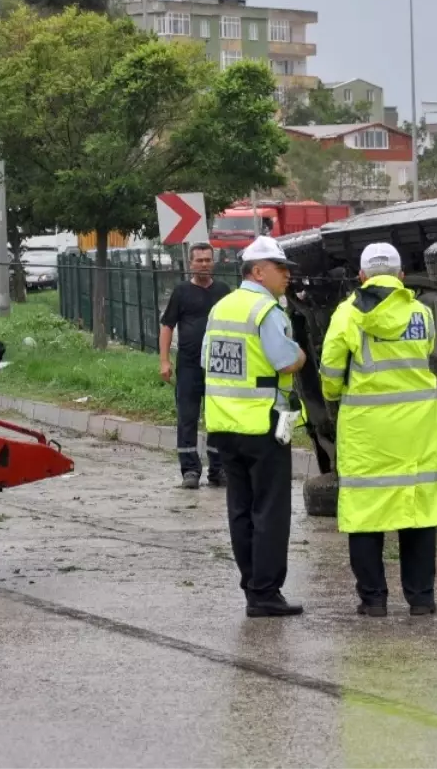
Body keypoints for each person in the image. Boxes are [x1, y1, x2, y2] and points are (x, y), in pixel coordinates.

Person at [319, 242, 437, 618]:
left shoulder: (347, 315)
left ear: (361, 276)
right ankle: (421, 600)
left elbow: (329, 370)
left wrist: (335, 395)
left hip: (367, 433)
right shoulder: (422, 313)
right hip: (417, 431)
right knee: (418, 513)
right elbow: (428, 355)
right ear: (401, 276)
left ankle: (373, 601)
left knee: (365, 514)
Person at [202, 235, 307, 617]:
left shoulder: (222, 307)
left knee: (240, 510)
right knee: (271, 511)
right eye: (281, 269)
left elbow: (207, 362)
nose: (287, 277)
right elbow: (284, 361)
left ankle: (251, 586)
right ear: (258, 271)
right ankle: (266, 592)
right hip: (262, 425)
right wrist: (301, 355)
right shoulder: (266, 311)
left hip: (223, 424)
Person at [159, 243, 232, 489]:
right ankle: (190, 471)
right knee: (187, 418)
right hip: (189, 366)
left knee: (217, 419)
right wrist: (165, 360)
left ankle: (218, 469)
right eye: (199, 260)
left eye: (207, 260)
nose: (203, 264)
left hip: (218, 367)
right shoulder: (181, 292)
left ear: (213, 262)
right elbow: (167, 326)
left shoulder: (223, 291)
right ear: (190, 264)